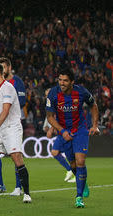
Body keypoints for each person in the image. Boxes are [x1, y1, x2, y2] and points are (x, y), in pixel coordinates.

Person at [45, 68, 99, 208]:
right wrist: (62, 131)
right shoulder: (53, 93)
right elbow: (50, 117)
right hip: (64, 132)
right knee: (74, 165)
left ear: (72, 82)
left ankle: (79, 197)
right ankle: (83, 182)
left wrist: (94, 125)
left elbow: (93, 105)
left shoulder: (81, 92)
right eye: (60, 80)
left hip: (80, 130)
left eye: (65, 81)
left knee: (80, 161)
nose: (62, 83)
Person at [0, 61, 32, 203]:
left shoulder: (8, 88)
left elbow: (5, 111)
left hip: (11, 128)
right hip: (2, 128)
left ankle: (27, 193)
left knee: (16, 158)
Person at [0, 57, 27, 196]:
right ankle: (0, 184)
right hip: (1, 124)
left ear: (9, 68)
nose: (1, 71)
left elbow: (22, 101)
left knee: (15, 155)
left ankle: (19, 187)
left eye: (3, 68)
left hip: (13, 122)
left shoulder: (16, 82)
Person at [42, 88, 76, 183]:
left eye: (47, 94)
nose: (46, 96)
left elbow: (56, 117)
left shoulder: (57, 101)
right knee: (55, 152)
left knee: (71, 155)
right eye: (45, 95)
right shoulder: (51, 103)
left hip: (66, 130)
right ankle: (70, 170)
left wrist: (51, 129)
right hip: (61, 132)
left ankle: (75, 173)